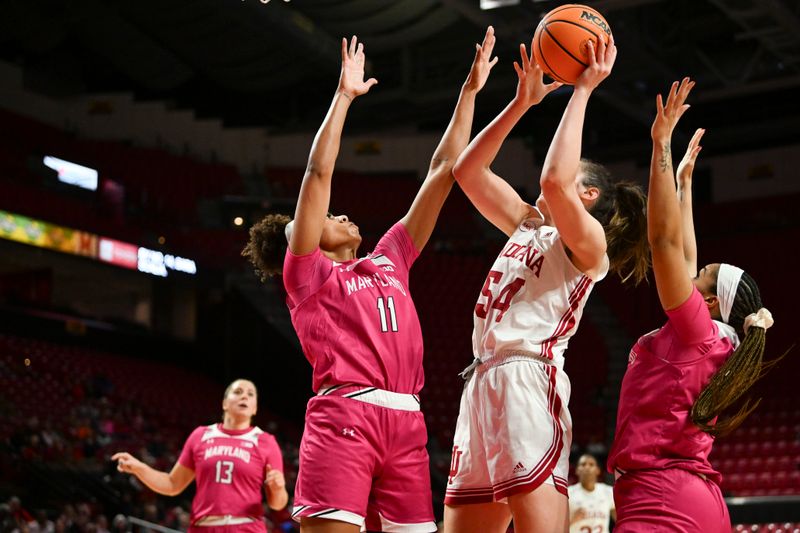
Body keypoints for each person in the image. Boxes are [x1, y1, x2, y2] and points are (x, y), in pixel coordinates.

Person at [241, 29, 498, 533]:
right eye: (329, 216)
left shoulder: (390, 258)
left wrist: (469, 93)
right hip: (345, 416)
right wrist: (343, 97)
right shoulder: (308, 275)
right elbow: (318, 174)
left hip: (407, 422)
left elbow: (443, 170)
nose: (341, 215)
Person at [444, 35, 650, 533]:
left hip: (527, 379)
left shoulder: (590, 245)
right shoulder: (530, 223)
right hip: (481, 383)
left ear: (590, 192)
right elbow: (466, 170)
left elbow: (556, 180)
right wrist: (522, 102)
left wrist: (581, 90)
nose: (558, 176)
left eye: (573, 176)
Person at [607, 78, 776, 532]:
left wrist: (660, 147)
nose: (691, 272)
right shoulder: (717, 340)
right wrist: (683, 184)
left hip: (663, 496)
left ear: (710, 302)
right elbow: (684, 254)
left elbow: (664, 242)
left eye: (700, 276)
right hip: (686, 496)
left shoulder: (700, 333)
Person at [112, 379, 287, 532]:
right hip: (202, 527)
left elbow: (277, 504)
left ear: (255, 408)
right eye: (238, 392)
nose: (245, 396)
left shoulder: (266, 441)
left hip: (246, 527)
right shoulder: (201, 435)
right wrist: (139, 468)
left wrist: (278, 488)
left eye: (250, 394)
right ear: (225, 403)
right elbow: (172, 484)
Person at [568, 454, 615, 533]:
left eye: (591, 464)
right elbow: (557, 527)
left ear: (598, 470)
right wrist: (573, 519)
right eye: (583, 464)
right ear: (577, 470)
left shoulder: (608, 491)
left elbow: (620, 520)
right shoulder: (568, 493)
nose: (587, 467)